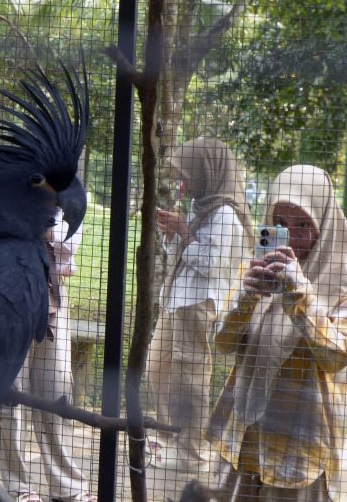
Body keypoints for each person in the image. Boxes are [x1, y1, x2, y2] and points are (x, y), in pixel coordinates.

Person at [207, 165, 347, 501]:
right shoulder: (255, 264)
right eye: (280, 223)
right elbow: (222, 343)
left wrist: (300, 292)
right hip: (244, 435)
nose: (291, 237)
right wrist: (247, 296)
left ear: (324, 222)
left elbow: (337, 356)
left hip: (300, 444)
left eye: (303, 225)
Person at [146, 137, 255, 473]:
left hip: (199, 303)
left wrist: (184, 231)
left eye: (187, 175)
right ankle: (168, 440)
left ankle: (192, 455)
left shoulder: (225, 213)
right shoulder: (201, 206)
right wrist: (173, 232)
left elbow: (212, 265)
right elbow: (180, 256)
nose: (183, 183)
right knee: (156, 369)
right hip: (177, 300)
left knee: (190, 376)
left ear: (207, 172)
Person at [0, 210, 95, 502]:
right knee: (10, 393)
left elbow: (67, 244)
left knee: (57, 388)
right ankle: (19, 488)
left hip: (51, 295)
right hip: (8, 295)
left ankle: (67, 487)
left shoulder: (69, 195)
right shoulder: (8, 188)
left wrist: (40, 227)